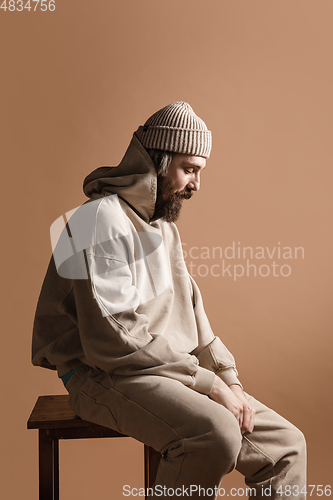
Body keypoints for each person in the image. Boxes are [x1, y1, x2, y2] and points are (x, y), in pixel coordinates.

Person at [32, 101, 307, 499]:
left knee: (286, 447)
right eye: (189, 169)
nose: (196, 184)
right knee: (214, 433)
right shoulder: (97, 220)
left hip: (165, 370)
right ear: (157, 160)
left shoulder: (163, 228)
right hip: (99, 373)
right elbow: (114, 339)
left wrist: (229, 379)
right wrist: (210, 385)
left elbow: (194, 318)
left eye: (200, 171)